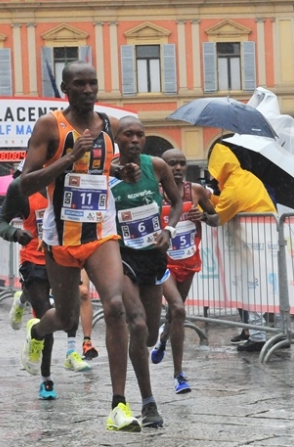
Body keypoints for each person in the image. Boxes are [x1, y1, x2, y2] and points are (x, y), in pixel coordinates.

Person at [19, 61, 141, 431]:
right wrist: (69, 158)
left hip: (101, 231)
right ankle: (37, 331)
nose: (88, 90)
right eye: (80, 84)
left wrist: (124, 172)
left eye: (93, 83)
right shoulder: (49, 125)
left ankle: (118, 405)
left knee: (115, 305)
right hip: (61, 235)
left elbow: (104, 168)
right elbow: (24, 183)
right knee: (68, 318)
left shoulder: (110, 125)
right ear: (65, 89)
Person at [0, 164, 91, 400]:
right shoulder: (22, 188)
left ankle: (31, 319)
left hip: (63, 260)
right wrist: (15, 234)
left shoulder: (71, 183)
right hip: (34, 262)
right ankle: (46, 380)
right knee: (46, 312)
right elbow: (1, 222)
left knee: (67, 313)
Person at [111, 116, 183, 427]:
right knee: (137, 324)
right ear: (117, 138)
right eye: (128, 134)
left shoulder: (157, 167)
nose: (135, 139)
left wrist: (168, 229)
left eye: (140, 134)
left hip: (152, 255)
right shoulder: (107, 172)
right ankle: (148, 402)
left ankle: (140, 353)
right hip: (122, 254)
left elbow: (177, 202)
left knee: (150, 335)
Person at [150, 148, 220, 394]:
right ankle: (179, 375)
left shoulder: (196, 191)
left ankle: (162, 341)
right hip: (163, 264)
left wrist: (203, 216)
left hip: (188, 262)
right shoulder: (154, 193)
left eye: (182, 163)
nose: (178, 168)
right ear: (163, 167)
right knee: (178, 309)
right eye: (172, 164)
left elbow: (216, 218)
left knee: (174, 314)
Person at [207, 142, 278, 352]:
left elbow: (218, 216)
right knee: (266, 288)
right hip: (264, 240)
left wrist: (203, 207)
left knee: (253, 287)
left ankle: (257, 336)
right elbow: (227, 203)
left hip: (254, 243)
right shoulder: (245, 177)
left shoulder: (234, 187)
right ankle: (269, 332)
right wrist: (210, 197)